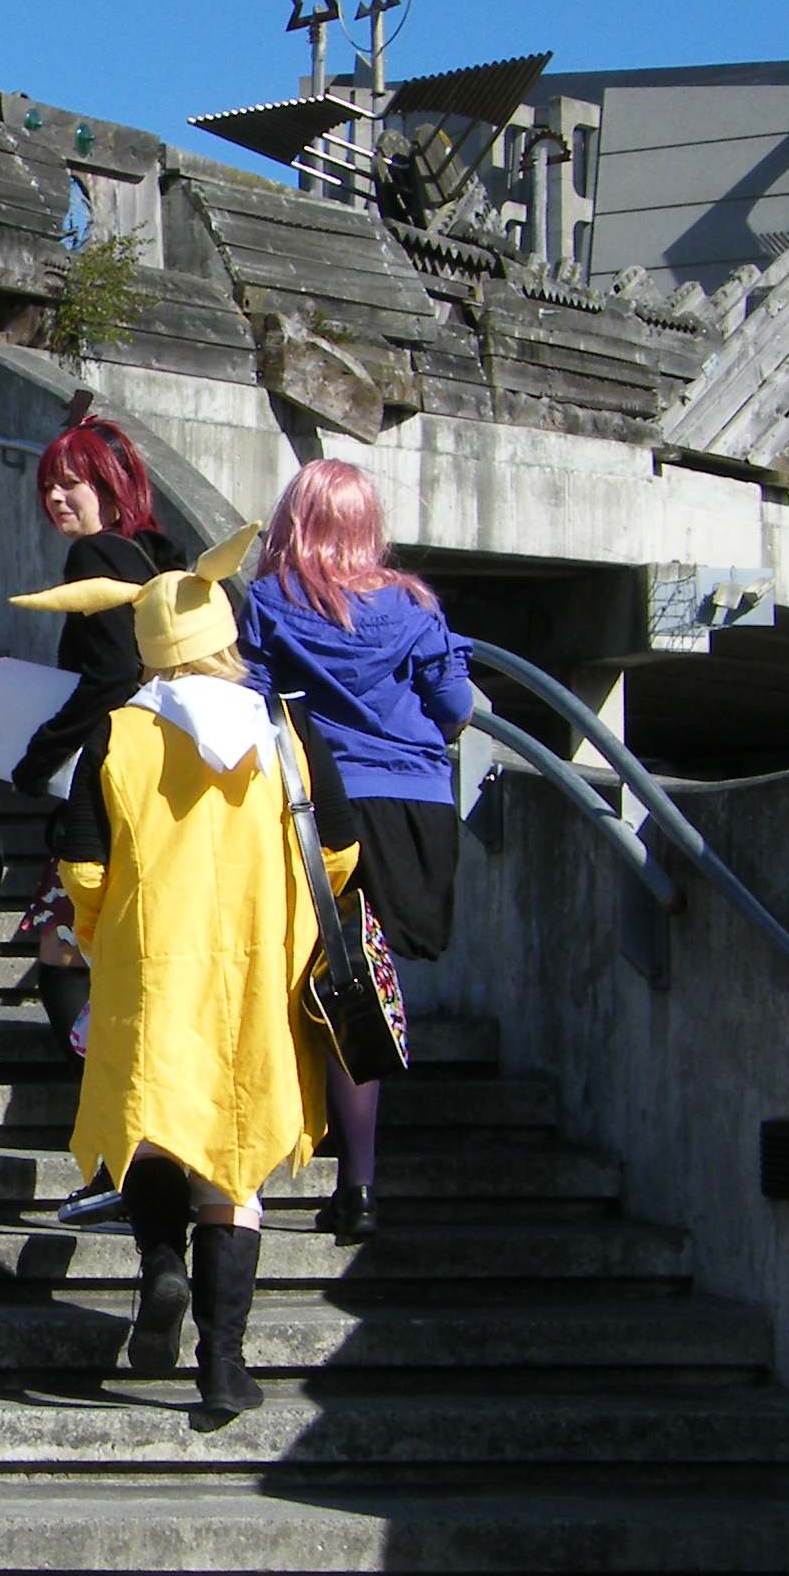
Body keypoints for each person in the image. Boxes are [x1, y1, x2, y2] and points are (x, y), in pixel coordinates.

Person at [14, 523, 344, 1429]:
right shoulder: (286, 728)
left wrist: (99, 934)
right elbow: (342, 849)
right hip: (258, 974)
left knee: (152, 1130)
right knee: (233, 1166)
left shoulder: (116, 736)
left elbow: (83, 867)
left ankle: (161, 1266)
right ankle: (223, 1368)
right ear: (226, 633)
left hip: (150, 965)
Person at [232, 458, 473, 1244]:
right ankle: (359, 1186)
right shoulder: (414, 606)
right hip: (413, 808)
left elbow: (251, 706)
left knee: (301, 976)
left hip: (317, 806)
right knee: (366, 984)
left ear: (294, 519)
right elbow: (455, 706)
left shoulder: (268, 601)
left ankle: (252, 1168)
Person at [6, 414, 185, 1226]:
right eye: (48, 484)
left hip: (109, 790)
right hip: (162, 787)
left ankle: (122, 1149)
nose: (55, 497)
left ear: (112, 487)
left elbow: (109, 675)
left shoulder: (96, 559)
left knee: (66, 945)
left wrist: (37, 755)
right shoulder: (159, 557)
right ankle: (142, 1147)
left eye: (71, 482)